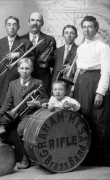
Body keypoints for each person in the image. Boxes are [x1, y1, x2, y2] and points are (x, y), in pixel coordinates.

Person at [0, 58, 49, 169]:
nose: (24, 71)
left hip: (30, 114)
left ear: (31, 70)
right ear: (18, 70)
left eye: (27, 68)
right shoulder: (13, 84)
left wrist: (37, 102)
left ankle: (26, 159)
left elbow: (46, 99)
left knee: (21, 129)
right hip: (15, 113)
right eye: (22, 68)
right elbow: (7, 102)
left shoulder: (37, 83)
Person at [73, 16, 110, 166]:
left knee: (99, 119)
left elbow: (107, 71)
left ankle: (101, 158)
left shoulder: (103, 46)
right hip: (82, 84)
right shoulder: (81, 47)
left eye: (90, 27)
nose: (87, 30)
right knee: (83, 117)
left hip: (95, 82)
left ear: (96, 28)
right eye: (84, 27)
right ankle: (85, 156)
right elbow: (77, 70)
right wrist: (74, 88)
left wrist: (100, 91)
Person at [0, 16, 34, 107]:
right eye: (9, 25)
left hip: (19, 80)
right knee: (3, 108)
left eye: (14, 25)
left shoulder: (26, 42)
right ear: (5, 26)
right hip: (2, 83)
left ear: (18, 27)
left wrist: (18, 55)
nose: (12, 27)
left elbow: (31, 60)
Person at [22, 12, 57, 97]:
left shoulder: (49, 39)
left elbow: (54, 61)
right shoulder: (21, 39)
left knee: (42, 104)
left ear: (42, 23)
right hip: (25, 78)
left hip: (43, 79)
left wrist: (48, 59)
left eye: (38, 21)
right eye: (32, 20)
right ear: (28, 22)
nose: (35, 23)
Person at [52, 25, 78, 95]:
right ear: (62, 35)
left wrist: (72, 68)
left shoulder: (80, 50)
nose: (69, 35)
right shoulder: (57, 51)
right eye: (66, 33)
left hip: (71, 85)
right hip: (57, 85)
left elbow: (83, 67)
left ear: (76, 36)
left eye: (72, 33)